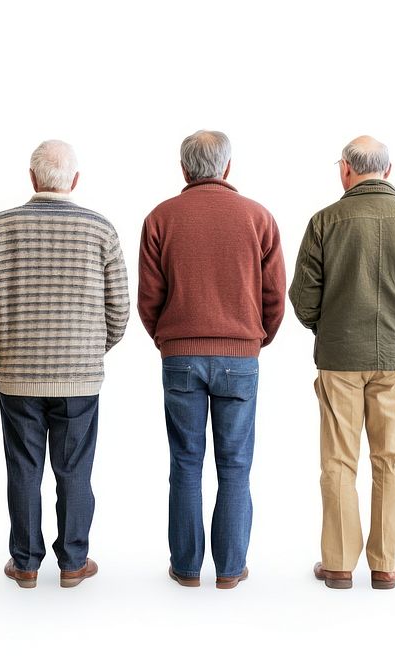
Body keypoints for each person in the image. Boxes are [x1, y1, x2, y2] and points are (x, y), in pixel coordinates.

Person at [290, 136, 395, 590]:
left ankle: (338, 565)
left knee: (338, 461)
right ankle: (384, 565)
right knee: (392, 459)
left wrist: (328, 328)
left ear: (345, 171)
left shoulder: (325, 222)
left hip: (339, 356)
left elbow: (303, 298)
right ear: (389, 170)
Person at [0, 140, 129, 589]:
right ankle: (73, 562)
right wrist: (91, 352)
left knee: (23, 468)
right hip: (79, 375)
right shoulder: (101, 230)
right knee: (75, 469)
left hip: (18, 373)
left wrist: (5, 351)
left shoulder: (0, 227)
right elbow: (118, 308)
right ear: (74, 180)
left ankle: (24, 563)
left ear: (31, 177)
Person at [138, 130, 286, 589]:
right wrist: (254, 342)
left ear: (185, 169)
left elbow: (148, 298)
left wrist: (168, 341)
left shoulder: (161, 218)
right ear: (226, 167)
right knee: (236, 465)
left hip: (179, 356)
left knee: (185, 462)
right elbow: (274, 296)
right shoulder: (258, 217)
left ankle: (185, 569)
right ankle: (229, 569)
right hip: (239, 356)